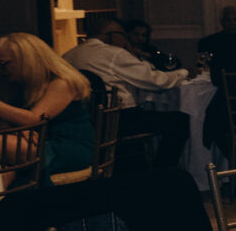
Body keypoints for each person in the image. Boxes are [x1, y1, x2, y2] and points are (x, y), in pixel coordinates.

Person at [0, 33, 95, 176]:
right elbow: (2, 125)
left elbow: (34, 119)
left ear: (27, 59)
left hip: (67, 146)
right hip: (33, 143)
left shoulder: (62, 82)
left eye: (3, 64)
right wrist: (18, 129)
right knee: (3, 166)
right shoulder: (16, 83)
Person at [64, 16, 191, 169]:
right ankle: (162, 172)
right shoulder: (114, 54)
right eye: (122, 34)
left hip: (86, 121)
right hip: (119, 119)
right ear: (112, 35)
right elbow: (155, 81)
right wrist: (183, 73)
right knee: (180, 121)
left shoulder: (68, 55)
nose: (125, 39)